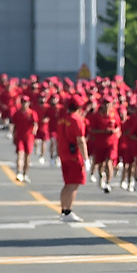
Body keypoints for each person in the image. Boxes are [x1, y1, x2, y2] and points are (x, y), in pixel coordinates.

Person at [55, 94, 90, 222]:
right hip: (74, 155)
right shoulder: (77, 120)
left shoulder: (62, 119)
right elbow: (80, 140)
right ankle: (68, 211)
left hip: (64, 154)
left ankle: (64, 210)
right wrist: (86, 158)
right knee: (73, 184)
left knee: (67, 183)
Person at [11, 97, 38, 183]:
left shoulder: (31, 113)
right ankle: (19, 172)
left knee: (27, 157)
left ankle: (25, 174)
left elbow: (35, 124)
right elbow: (14, 126)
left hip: (29, 138)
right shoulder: (17, 114)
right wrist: (13, 136)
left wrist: (34, 131)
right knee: (20, 155)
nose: (24, 104)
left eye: (26, 102)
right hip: (20, 137)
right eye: (22, 102)